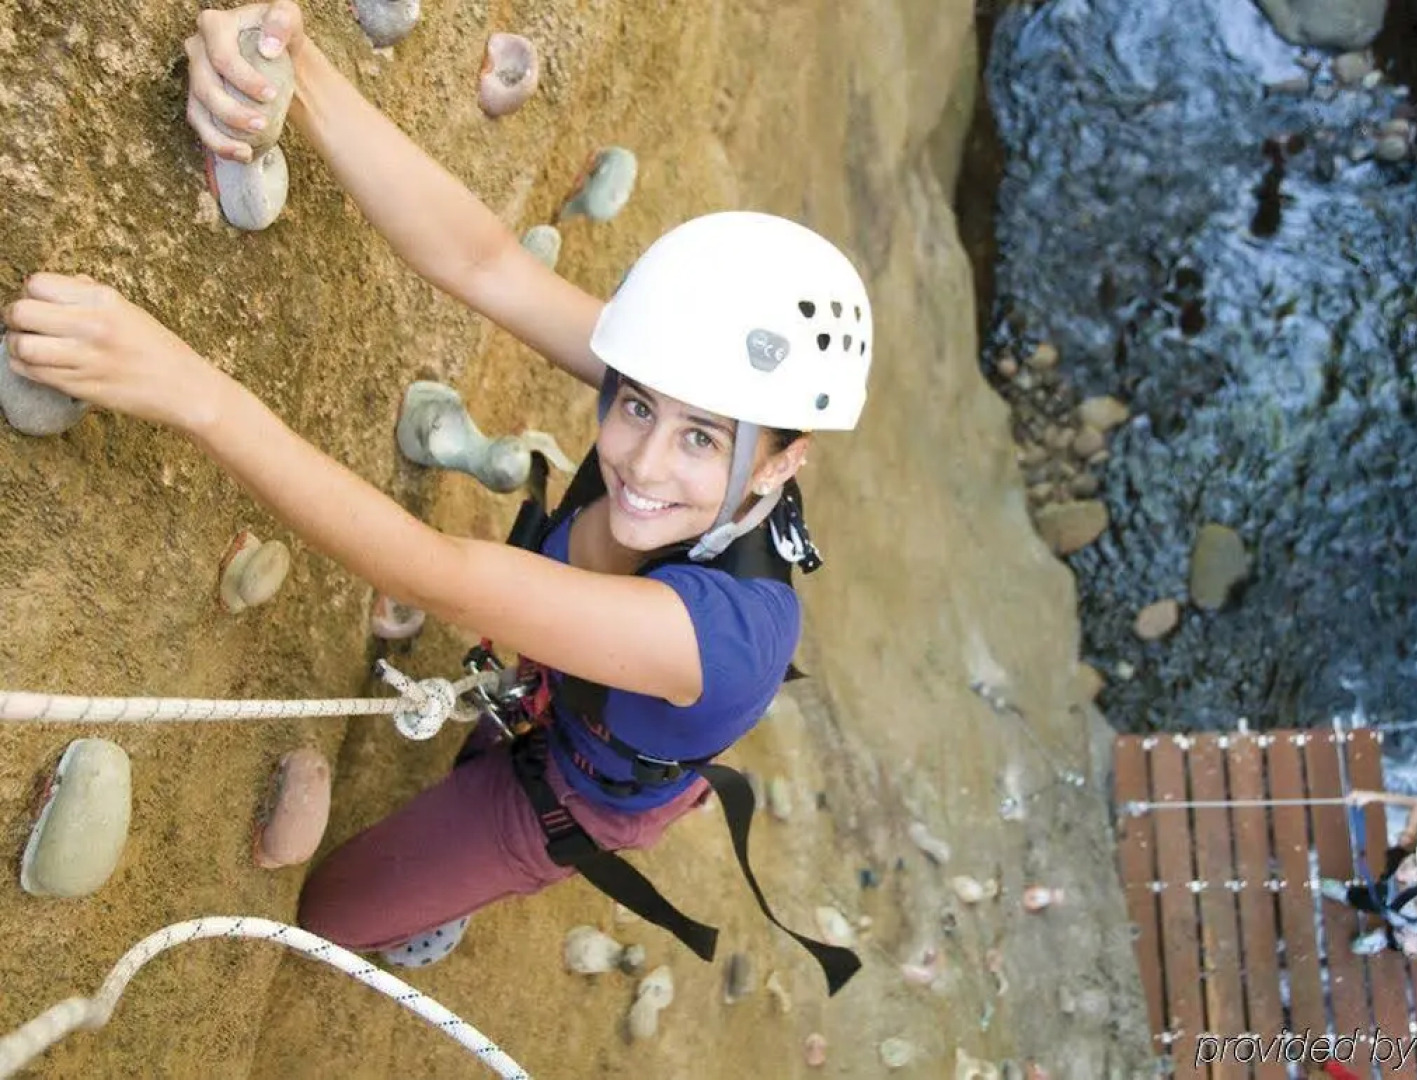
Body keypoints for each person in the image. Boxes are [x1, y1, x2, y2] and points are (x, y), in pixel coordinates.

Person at [2, 0, 870, 990]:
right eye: (631, 404)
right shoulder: (679, 394)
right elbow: (484, 263)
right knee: (486, 732)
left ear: (778, 464)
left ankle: (443, 904)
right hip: (565, 676)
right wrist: (297, 71)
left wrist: (192, 392)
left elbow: (442, 575)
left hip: (582, 787)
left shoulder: (720, 637)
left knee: (334, 908)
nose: (642, 459)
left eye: (702, 439)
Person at [1319, 789, 1417, 960]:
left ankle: (1385, 938)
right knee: (1375, 897)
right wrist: (1371, 796)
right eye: (1414, 861)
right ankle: (1348, 895)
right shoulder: (1409, 845)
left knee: (1401, 937)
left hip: (1407, 923)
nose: (1408, 870)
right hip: (1387, 896)